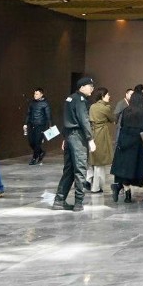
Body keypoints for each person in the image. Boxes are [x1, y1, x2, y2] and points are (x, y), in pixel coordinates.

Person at [54, 77, 95, 211]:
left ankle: (59, 200)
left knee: (68, 170)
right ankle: (78, 203)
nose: (92, 89)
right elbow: (84, 120)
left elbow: (66, 119)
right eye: (90, 86)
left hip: (69, 136)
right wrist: (90, 139)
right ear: (82, 87)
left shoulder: (69, 99)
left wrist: (65, 138)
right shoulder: (81, 101)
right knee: (80, 170)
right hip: (78, 137)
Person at [112, 86, 143, 202]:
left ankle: (126, 193)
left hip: (124, 142)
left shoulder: (126, 111)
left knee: (124, 169)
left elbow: (121, 125)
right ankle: (124, 193)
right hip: (137, 144)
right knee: (133, 170)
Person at [88, 87, 116, 194]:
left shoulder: (92, 106)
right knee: (100, 161)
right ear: (102, 96)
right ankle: (96, 186)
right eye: (107, 95)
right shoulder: (105, 108)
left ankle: (89, 180)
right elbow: (112, 119)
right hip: (102, 134)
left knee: (93, 159)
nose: (109, 96)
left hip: (93, 132)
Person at [24, 89, 52, 165]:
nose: (35, 95)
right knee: (31, 142)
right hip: (31, 124)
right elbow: (28, 114)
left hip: (40, 125)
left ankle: (34, 158)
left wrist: (50, 125)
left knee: (37, 142)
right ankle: (41, 152)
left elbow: (48, 115)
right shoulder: (32, 103)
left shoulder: (45, 103)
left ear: (41, 94)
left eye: (37, 94)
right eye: (34, 94)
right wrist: (25, 124)